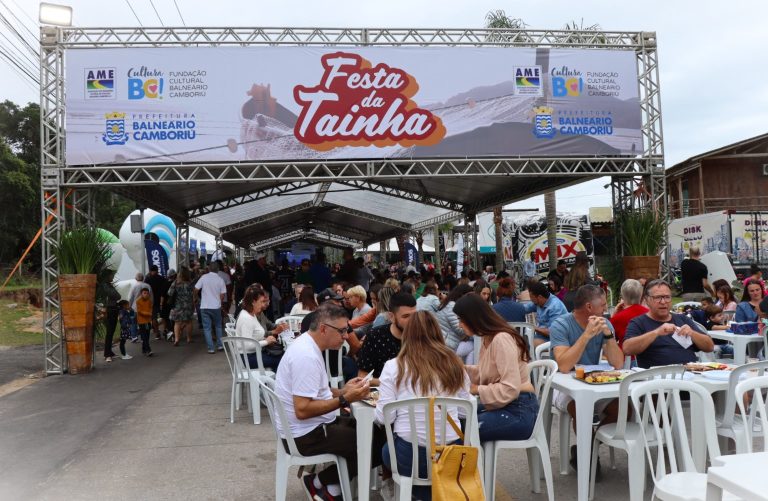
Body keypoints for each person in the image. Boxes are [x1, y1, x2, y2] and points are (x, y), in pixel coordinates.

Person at [274, 302, 385, 501]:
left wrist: (343, 390)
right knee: (377, 446)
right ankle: (323, 483)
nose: (345, 337)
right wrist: (344, 398)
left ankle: (323, 484)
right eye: (342, 331)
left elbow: (316, 392)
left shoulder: (309, 346)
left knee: (377, 434)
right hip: (306, 435)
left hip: (311, 427)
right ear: (324, 329)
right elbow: (303, 410)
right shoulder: (306, 356)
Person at [375, 311, 471, 501]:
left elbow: (384, 417)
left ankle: (420, 495)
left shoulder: (394, 366)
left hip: (409, 456)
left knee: (386, 451)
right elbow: (463, 410)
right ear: (438, 332)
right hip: (450, 454)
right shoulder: (455, 364)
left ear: (407, 335)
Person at [453, 293, 539, 443]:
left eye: (461, 320)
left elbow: (510, 388)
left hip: (519, 410)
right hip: (508, 405)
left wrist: (475, 389)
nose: (459, 324)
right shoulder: (488, 337)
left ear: (473, 318)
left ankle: (468, 466)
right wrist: (459, 369)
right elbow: (486, 373)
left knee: (459, 432)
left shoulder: (501, 339)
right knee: (455, 420)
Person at [623, 279, 714, 368]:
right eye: (658, 297)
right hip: (657, 378)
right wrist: (656, 332)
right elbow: (627, 349)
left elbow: (709, 347)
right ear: (647, 300)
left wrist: (692, 333)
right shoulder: (639, 322)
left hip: (689, 373)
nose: (663, 302)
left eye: (667, 297)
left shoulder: (682, 319)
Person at [356, 292, 417, 386]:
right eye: (406, 316)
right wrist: (394, 382)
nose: (412, 320)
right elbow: (362, 377)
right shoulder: (375, 336)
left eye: (414, 315)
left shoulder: (421, 335)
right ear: (391, 317)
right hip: (382, 395)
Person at [236, 285, 283, 370]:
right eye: (261, 302)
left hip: (253, 354)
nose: (263, 305)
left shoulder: (251, 314)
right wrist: (266, 341)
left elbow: (255, 335)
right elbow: (247, 345)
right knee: (281, 359)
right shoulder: (246, 318)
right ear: (253, 302)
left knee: (281, 355)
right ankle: (273, 382)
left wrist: (267, 339)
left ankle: (273, 381)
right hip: (248, 358)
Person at [434, 284, 474, 361]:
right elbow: (460, 330)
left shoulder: (448, 304)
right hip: (447, 345)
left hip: (442, 342)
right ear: (462, 295)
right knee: (473, 346)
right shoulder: (453, 307)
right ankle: (468, 371)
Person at [194, 261, 227, 354]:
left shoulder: (203, 278)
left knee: (207, 328)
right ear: (218, 269)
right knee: (218, 326)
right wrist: (219, 301)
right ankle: (220, 345)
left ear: (208, 268)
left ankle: (211, 348)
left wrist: (196, 298)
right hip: (216, 306)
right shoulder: (220, 280)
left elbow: (196, 289)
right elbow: (223, 294)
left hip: (205, 306)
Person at [523, 281, 568, 347]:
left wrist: (533, 327)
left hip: (556, 339)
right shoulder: (538, 301)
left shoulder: (555, 307)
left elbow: (552, 332)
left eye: (532, 299)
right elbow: (525, 308)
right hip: (543, 336)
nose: (532, 301)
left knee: (529, 344)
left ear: (540, 297)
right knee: (521, 341)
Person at [609, 279, 648, 350]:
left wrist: (614, 315)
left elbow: (609, 340)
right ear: (641, 294)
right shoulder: (650, 314)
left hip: (625, 358)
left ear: (622, 295)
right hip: (648, 357)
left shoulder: (617, 318)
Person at [168, 267, 195, 346]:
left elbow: (169, 293)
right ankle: (189, 338)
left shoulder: (176, 283)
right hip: (188, 305)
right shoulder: (190, 283)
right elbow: (193, 294)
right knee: (188, 322)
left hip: (177, 305)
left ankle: (176, 339)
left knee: (177, 323)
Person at [101, 272, 121, 362]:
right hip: (110, 309)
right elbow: (116, 295)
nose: (113, 277)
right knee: (109, 332)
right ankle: (107, 354)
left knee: (111, 331)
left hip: (113, 309)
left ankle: (109, 351)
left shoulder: (108, 285)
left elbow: (117, 296)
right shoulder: (105, 286)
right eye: (111, 275)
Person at [135, 288, 154, 356]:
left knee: (147, 336)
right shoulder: (138, 301)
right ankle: (148, 350)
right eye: (144, 293)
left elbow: (151, 308)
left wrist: (150, 313)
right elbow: (139, 311)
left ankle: (144, 349)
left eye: (147, 293)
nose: (146, 294)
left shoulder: (149, 300)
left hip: (148, 321)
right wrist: (148, 313)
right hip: (142, 321)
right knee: (144, 336)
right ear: (141, 294)